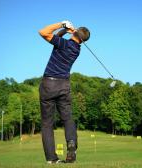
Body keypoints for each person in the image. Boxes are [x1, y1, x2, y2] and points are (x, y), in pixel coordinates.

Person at [38, 21, 90, 164]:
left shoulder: (64, 44)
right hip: (64, 85)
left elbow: (43, 32)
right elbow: (57, 40)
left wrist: (61, 24)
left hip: (49, 84)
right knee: (67, 118)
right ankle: (72, 144)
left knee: (47, 123)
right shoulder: (76, 49)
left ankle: (52, 159)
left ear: (75, 33)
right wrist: (68, 31)